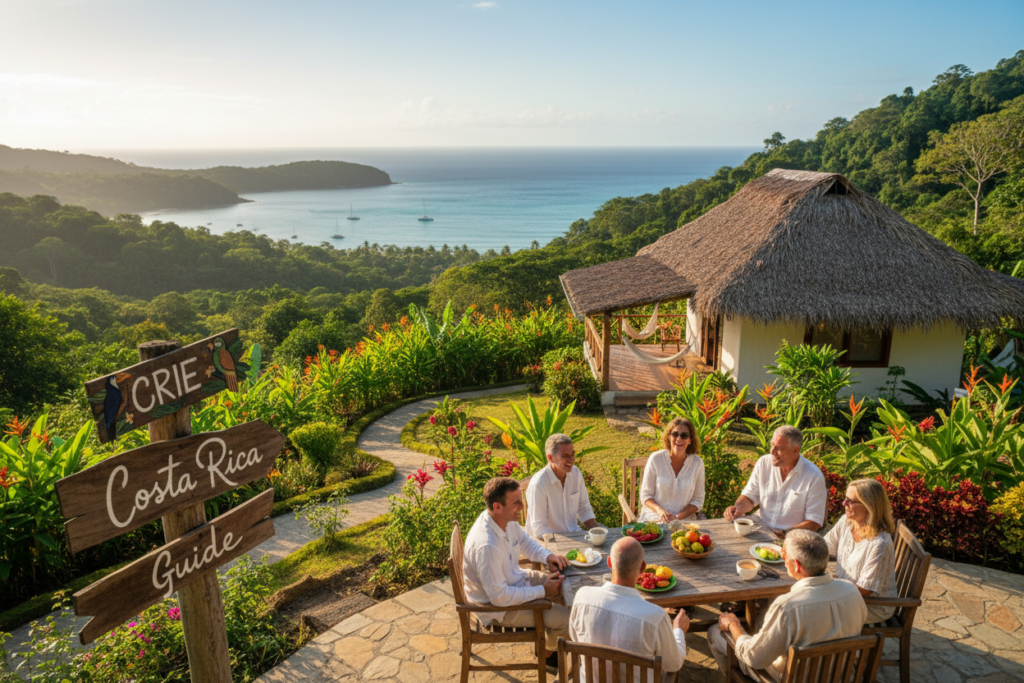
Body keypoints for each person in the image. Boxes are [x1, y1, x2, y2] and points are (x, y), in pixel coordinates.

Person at [708, 530, 866, 680]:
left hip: (794, 677)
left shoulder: (787, 607)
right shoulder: (852, 590)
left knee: (715, 632)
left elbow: (754, 658)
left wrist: (734, 625)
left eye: (784, 556)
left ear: (797, 565)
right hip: (840, 675)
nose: (782, 557)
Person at [463, 477, 572, 671]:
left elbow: (525, 542)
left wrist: (548, 557)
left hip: (515, 582)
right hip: (499, 610)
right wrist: (541, 591)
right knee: (569, 622)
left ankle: (550, 640)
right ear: (497, 506)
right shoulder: (487, 545)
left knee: (564, 585)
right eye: (517, 503)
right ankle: (547, 651)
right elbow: (499, 597)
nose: (522, 506)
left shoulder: (504, 518)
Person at [569, 537, 689, 683]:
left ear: (609, 563)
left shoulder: (582, 597)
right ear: (642, 567)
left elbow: (575, 638)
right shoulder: (655, 617)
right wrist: (678, 631)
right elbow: (673, 664)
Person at [723, 426, 827, 537]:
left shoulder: (814, 476)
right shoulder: (763, 463)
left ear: (795, 450)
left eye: (779, 449)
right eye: (772, 445)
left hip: (793, 537)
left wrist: (786, 533)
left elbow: (814, 523)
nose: (772, 451)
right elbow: (750, 496)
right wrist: (737, 509)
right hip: (760, 529)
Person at [824, 478, 897, 625]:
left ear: (869, 506)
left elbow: (865, 590)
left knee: (814, 610)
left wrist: (828, 590)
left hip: (871, 605)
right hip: (847, 594)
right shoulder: (846, 522)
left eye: (851, 501)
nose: (844, 504)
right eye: (845, 499)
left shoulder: (879, 543)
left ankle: (826, 647)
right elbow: (824, 546)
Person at [525, 433, 599, 538]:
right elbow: (540, 529)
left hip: (575, 536)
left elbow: (584, 508)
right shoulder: (539, 484)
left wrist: (598, 531)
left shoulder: (576, 473)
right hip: (547, 543)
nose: (571, 459)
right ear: (551, 458)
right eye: (565, 456)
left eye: (572, 454)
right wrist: (567, 544)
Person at [637, 417, 705, 523]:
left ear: (690, 440)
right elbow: (646, 495)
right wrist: (660, 511)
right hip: (654, 516)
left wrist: (678, 517)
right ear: (669, 436)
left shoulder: (697, 464)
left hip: (683, 519)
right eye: (675, 434)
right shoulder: (656, 459)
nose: (679, 438)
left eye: (684, 435)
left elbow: (698, 500)